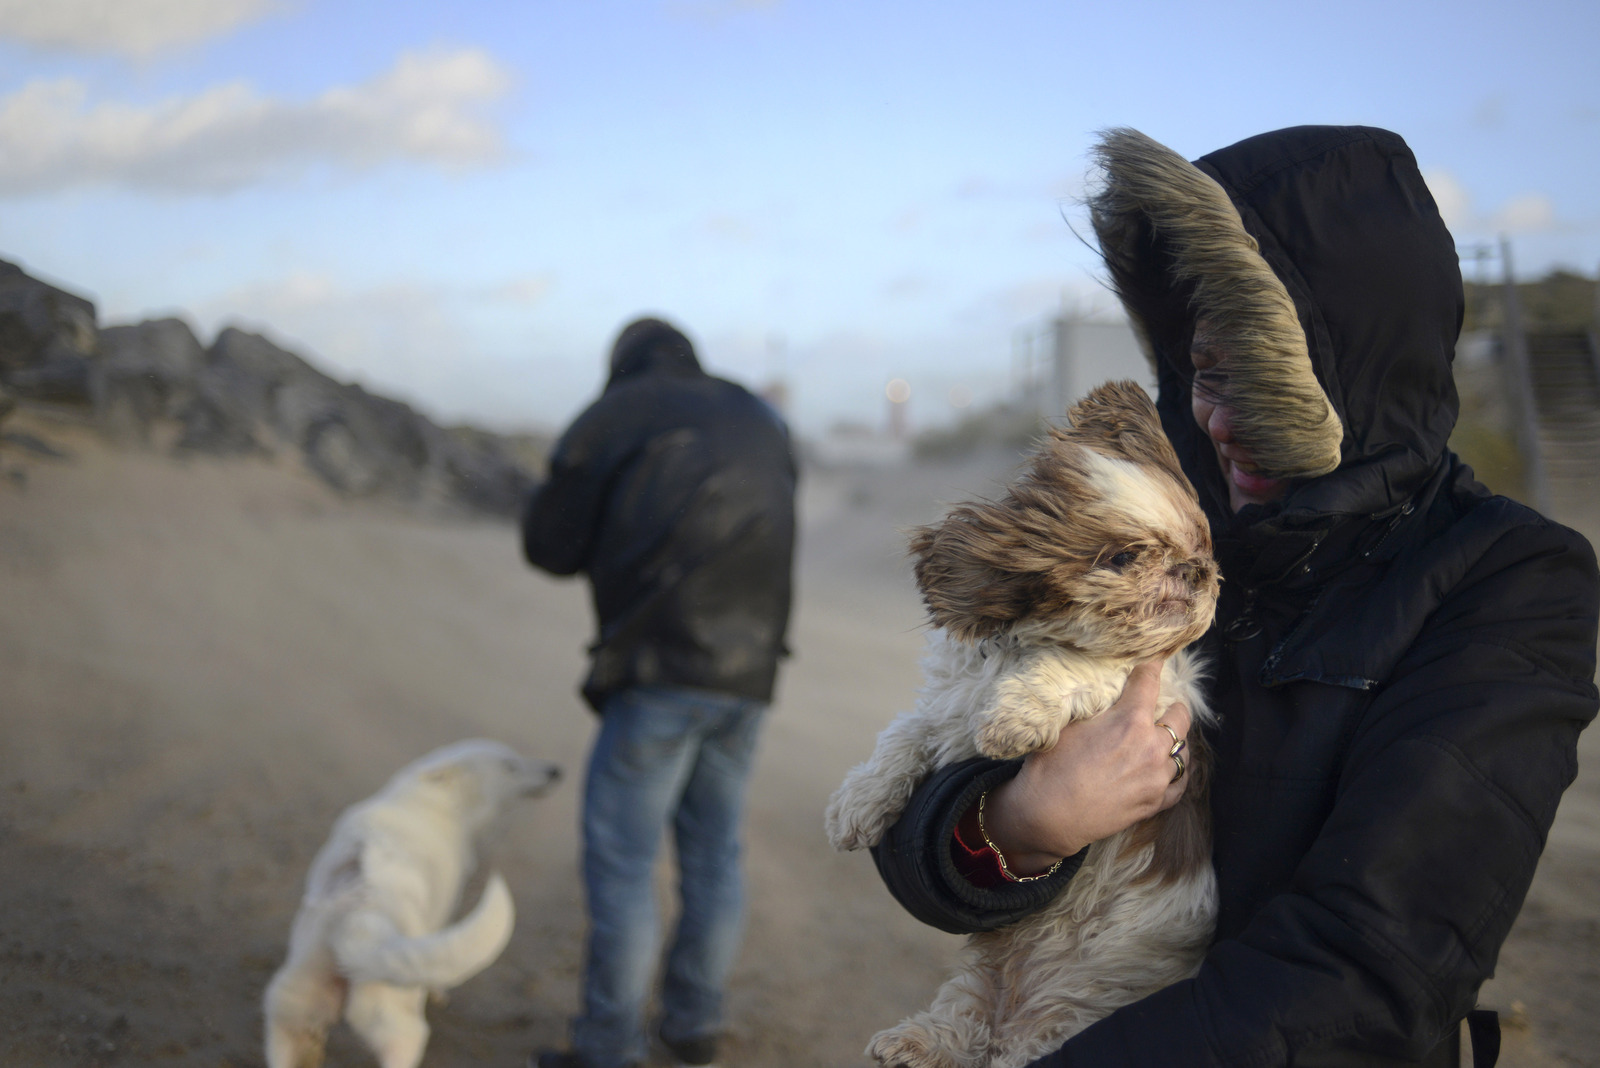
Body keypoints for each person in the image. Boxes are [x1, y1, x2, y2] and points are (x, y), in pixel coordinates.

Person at [871, 126, 1599, 1066]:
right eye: (1204, 373)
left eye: (1261, 374)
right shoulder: (1152, 538)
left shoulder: (1506, 580)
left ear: (1356, 367)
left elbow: (1370, 970)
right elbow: (920, 825)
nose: (1219, 416)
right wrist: (1023, 823)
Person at [522, 318, 797, 1068]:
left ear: (622, 366)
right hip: (749, 677)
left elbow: (548, 545)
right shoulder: (757, 414)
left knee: (623, 863)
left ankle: (609, 1046)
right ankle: (693, 1022)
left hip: (656, 673)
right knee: (714, 854)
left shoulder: (617, 412)